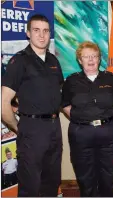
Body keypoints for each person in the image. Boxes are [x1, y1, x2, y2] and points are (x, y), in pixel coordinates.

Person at [1, 14, 63, 196]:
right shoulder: (19, 61)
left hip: (54, 128)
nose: (42, 35)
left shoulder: (53, 60)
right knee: (30, 186)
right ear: (28, 33)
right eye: (36, 30)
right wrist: (19, 128)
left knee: (52, 182)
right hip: (32, 129)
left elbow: (56, 92)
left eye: (45, 31)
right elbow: (4, 102)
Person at [62, 41, 113, 197]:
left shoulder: (110, 78)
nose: (90, 60)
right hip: (81, 135)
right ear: (79, 60)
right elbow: (65, 105)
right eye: (86, 57)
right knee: (85, 178)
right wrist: (83, 120)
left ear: (99, 58)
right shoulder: (71, 81)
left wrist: (104, 118)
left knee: (109, 177)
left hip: (109, 134)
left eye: (94, 56)